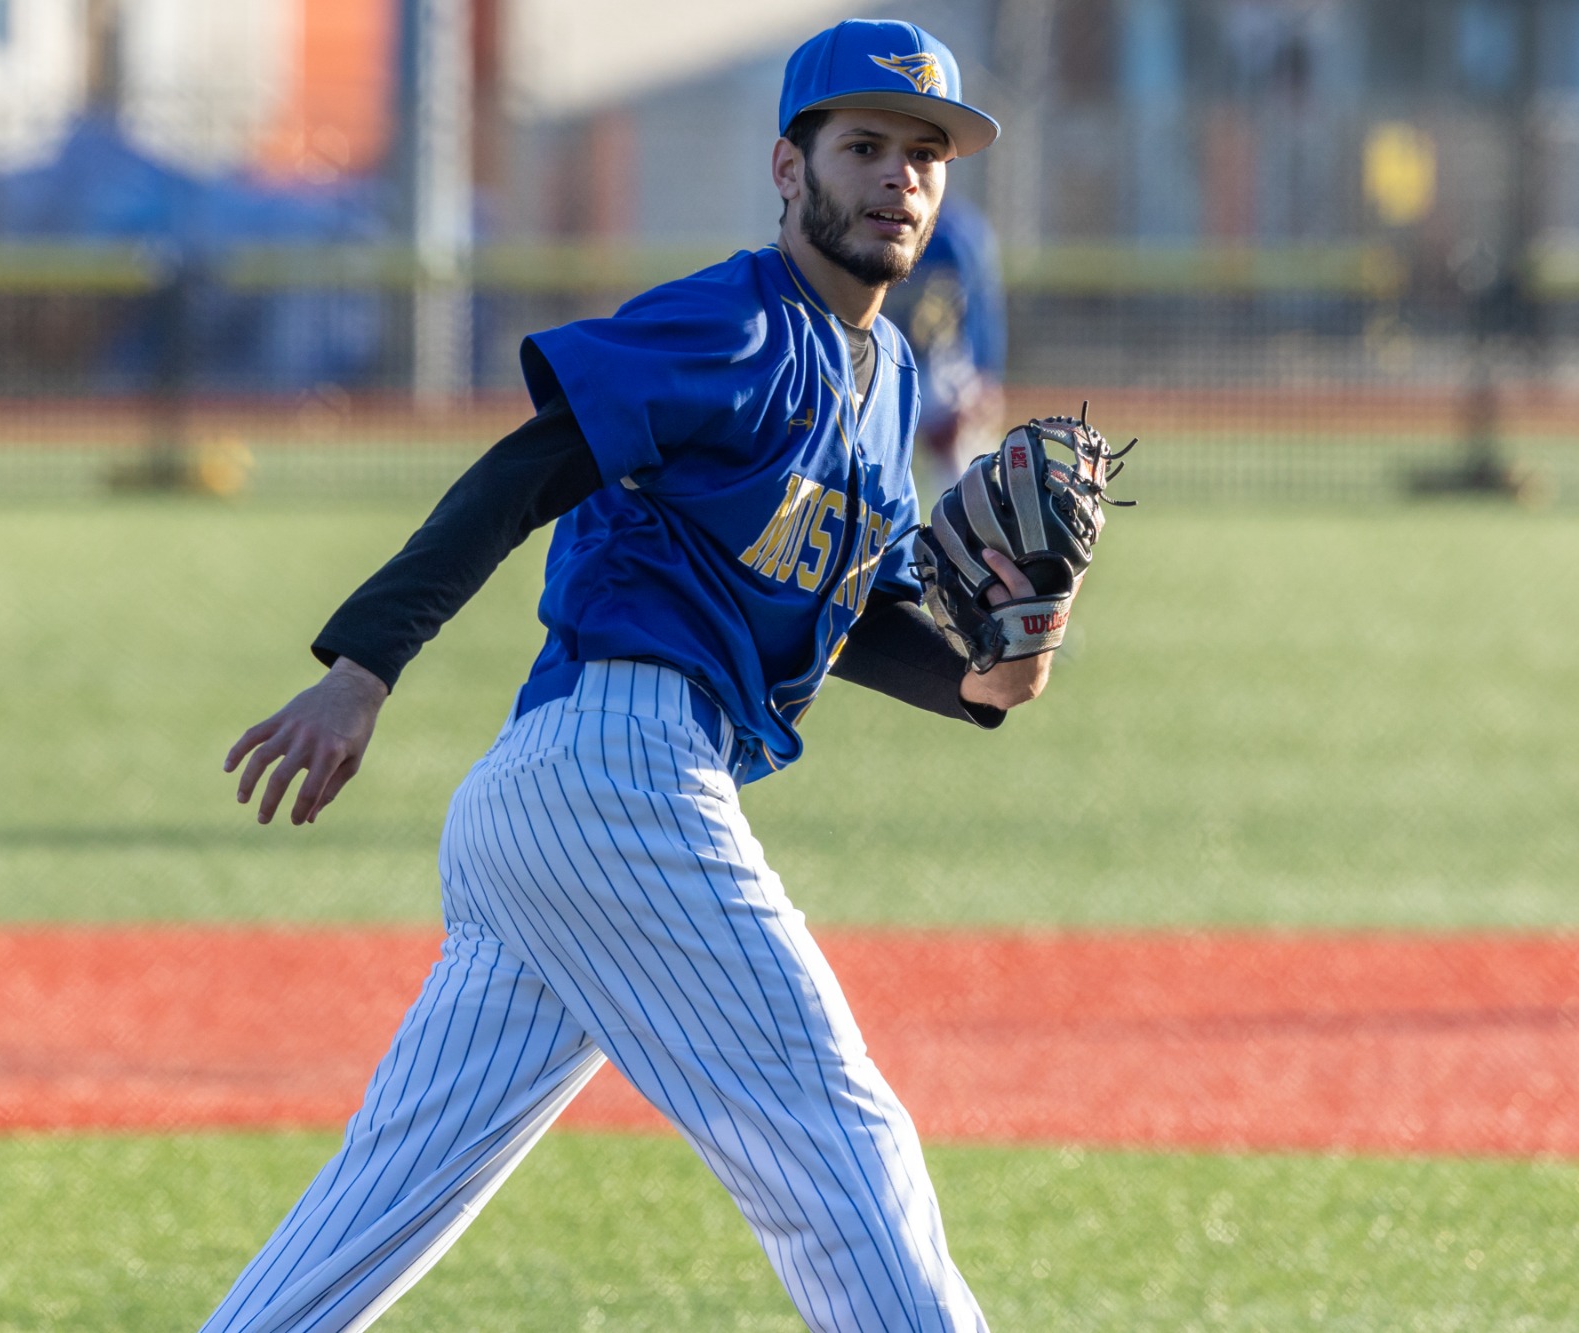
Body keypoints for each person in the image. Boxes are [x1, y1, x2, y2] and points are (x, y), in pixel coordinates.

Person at [210, 20, 1052, 1332]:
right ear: (790, 167)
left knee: (378, 1205)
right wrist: (364, 666)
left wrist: (994, 669)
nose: (901, 177)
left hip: (558, 806)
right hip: (620, 770)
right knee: (831, 1131)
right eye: (866, 145)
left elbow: (856, 614)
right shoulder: (739, 321)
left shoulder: (885, 390)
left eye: (926, 154)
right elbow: (535, 462)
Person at [881, 196, 1009, 491]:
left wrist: (985, 374)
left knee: (969, 488)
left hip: (944, 372)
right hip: (886, 365)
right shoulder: (876, 226)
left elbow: (982, 309)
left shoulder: (958, 232)